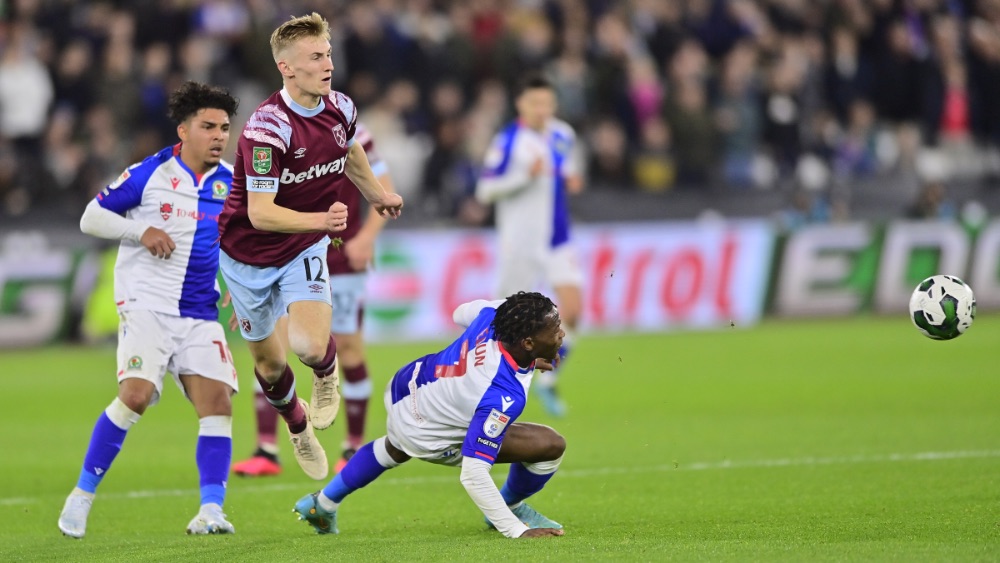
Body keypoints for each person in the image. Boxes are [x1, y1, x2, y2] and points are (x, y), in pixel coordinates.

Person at [217, 13, 403, 481]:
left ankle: (325, 373)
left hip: (303, 246)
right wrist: (323, 219)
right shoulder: (266, 130)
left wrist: (376, 196)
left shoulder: (340, 107)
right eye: (316, 57)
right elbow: (260, 213)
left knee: (307, 344)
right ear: (286, 67)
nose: (328, 65)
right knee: (271, 364)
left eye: (329, 55)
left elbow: (352, 150)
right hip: (247, 257)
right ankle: (297, 428)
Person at [58, 81, 241, 538]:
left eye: (224, 127)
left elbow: (241, 242)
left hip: (199, 310)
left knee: (217, 404)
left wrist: (240, 289)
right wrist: (140, 233)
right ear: (184, 130)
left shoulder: (231, 182)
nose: (219, 135)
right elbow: (90, 217)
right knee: (136, 395)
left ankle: (211, 511)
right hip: (147, 303)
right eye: (208, 127)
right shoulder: (151, 173)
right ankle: (81, 497)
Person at [293, 291, 567, 539]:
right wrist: (516, 532)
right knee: (550, 445)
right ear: (528, 342)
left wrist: (526, 360)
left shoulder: (496, 316)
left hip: (408, 384)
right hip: (426, 434)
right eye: (555, 330)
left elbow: (460, 313)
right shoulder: (502, 394)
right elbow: (474, 474)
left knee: (395, 446)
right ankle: (510, 510)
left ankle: (323, 503)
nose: (562, 335)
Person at [232, 121, 396, 477]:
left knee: (345, 349)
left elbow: (384, 187)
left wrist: (366, 237)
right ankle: (267, 448)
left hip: (341, 254)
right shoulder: (274, 130)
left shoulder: (355, 133)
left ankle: (352, 447)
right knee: (270, 349)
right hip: (285, 254)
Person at [475, 74, 584, 417]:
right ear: (521, 104)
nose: (542, 110)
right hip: (520, 243)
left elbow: (570, 169)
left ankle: (548, 383)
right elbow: (485, 190)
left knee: (575, 311)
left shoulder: (563, 134)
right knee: (504, 321)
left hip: (557, 239)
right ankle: (480, 381)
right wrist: (525, 176)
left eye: (547, 103)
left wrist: (570, 178)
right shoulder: (508, 141)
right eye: (535, 103)